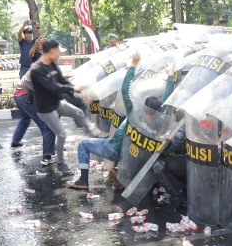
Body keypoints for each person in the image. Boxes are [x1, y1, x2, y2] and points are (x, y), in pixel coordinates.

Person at [67, 53, 175, 190]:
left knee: (83, 144)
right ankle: (118, 175)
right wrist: (170, 76)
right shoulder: (159, 119)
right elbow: (166, 101)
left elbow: (125, 90)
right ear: (156, 111)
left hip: (114, 148)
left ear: (144, 108)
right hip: (134, 156)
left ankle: (83, 180)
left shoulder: (134, 114)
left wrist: (132, 66)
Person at [31, 40, 108, 177]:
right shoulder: (36, 69)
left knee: (78, 112)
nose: (60, 54)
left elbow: (62, 81)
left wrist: (80, 94)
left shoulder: (52, 65)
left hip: (56, 103)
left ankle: (95, 133)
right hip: (45, 109)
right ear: (52, 51)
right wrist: (73, 88)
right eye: (58, 51)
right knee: (61, 134)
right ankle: (61, 164)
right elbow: (52, 87)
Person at [11, 62, 56, 166]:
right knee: (47, 125)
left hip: (21, 95)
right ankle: (47, 156)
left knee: (25, 118)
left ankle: (15, 141)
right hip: (24, 97)